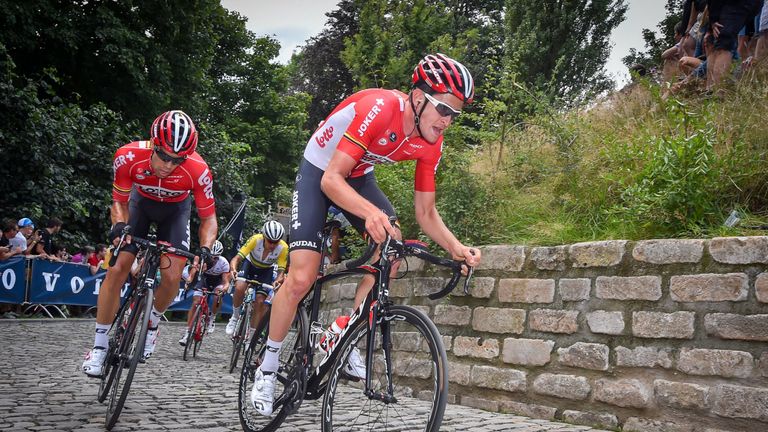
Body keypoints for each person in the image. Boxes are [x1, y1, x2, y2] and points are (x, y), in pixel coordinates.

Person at [248, 53, 482, 416]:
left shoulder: (431, 141)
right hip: (321, 171)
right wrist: (370, 212)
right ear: (418, 98)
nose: (448, 121)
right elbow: (330, 179)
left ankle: (346, 331)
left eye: (456, 113)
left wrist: (456, 248)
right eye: (443, 109)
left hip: (356, 176)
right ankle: (267, 367)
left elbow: (426, 212)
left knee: (391, 249)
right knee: (302, 277)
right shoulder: (380, 108)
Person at [81, 110, 218, 377]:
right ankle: (99, 346)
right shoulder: (127, 156)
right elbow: (119, 201)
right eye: (164, 156)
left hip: (175, 212)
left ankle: (151, 323)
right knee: (118, 267)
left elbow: (209, 219)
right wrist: (120, 227)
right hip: (139, 204)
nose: (168, 165)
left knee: (172, 276)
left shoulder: (199, 170)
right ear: (153, 144)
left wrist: (205, 248)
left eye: (177, 160)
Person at [225, 221, 287, 338]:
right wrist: (233, 269)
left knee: (259, 301)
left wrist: (278, 280)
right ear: (264, 237)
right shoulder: (255, 240)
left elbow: (281, 271)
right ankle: (235, 317)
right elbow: (236, 259)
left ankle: (251, 337)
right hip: (250, 265)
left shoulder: (283, 247)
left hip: (266, 270)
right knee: (239, 287)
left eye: (276, 242)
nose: (273, 245)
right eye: (270, 241)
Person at [179, 240, 231, 345]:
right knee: (195, 303)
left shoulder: (224, 263)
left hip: (218, 281)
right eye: (211, 256)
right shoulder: (200, 258)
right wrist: (189, 279)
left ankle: (212, 318)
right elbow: (193, 270)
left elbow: (226, 281)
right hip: (204, 279)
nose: (213, 259)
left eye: (216, 257)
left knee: (217, 295)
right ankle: (187, 333)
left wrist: (224, 288)